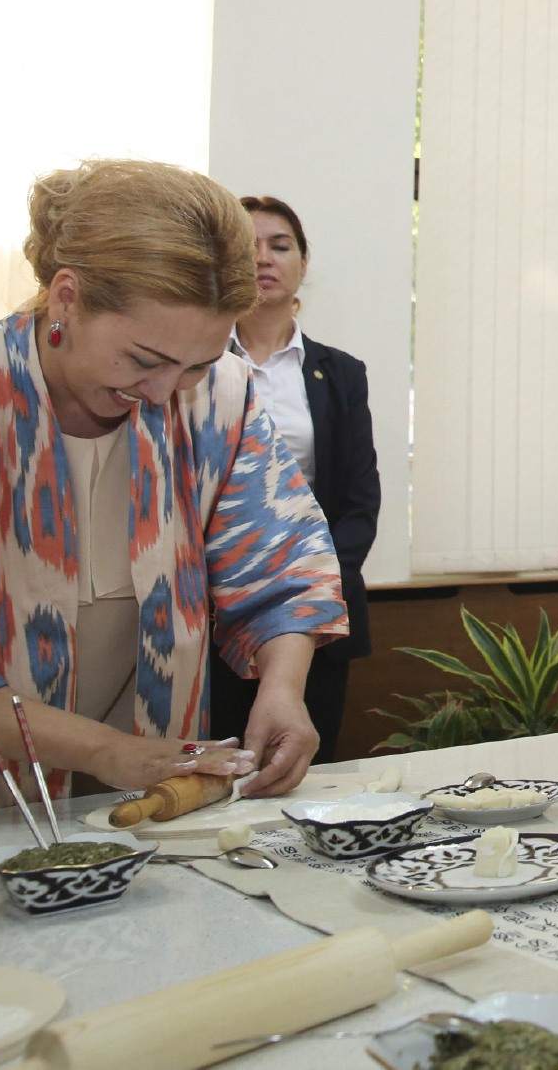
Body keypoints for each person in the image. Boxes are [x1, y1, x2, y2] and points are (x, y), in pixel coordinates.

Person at [0, 160, 346, 818]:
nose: (165, 391)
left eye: (195, 364)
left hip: (150, 791)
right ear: (66, 297)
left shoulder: (221, 398)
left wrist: (283, 687)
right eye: (144, 360)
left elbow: (282, 565)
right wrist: (109, 751)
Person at [208, 197, 380, 759]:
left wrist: (316, 588)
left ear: (303, 263)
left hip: (316, 618)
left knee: (303, 774)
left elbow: (358, 503)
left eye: (280, 246)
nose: (264, 258)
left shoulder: (341, 373)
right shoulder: (192, 362)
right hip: (209, 614)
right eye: (247, 246)